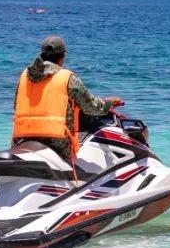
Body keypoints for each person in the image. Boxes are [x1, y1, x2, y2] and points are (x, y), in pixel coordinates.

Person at [12, 35, 122, 163]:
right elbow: (92, 107)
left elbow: (16, 106)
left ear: (41, 55)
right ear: (62, 57)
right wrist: (109, 103)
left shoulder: (24, 76)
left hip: (22, 140)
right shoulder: (67, 78)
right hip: (57, 143)